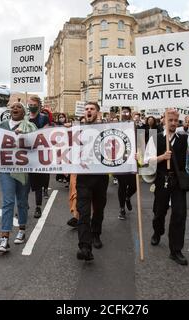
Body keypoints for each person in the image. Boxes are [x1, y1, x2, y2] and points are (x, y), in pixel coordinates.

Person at [144, 110, 189, 266]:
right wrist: (161, 157)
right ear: (164, 120)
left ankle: (176, 250)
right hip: (162, 179)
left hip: (178, 181)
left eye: (176, 120)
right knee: (159, 211)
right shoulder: (155, 139)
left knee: (179, 214)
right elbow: (146, 159)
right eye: (171, 120)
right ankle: (157, 231)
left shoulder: (183, 138)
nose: (174, 123)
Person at [0, 102, 37, 253]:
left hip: (22, 169)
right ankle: (4, 238)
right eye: (13, 107)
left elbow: (37, 145)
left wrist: (24, 138)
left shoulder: (30, 126)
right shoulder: (2, 125)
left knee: (22, 201)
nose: (15, 108)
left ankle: (22, 229)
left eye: (19, 107)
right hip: (5, 168)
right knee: (8, 201)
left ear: (24, 112)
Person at [76, 102, 109, 261]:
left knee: (99, 208)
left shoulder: (106, 129)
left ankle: (96, 234)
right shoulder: (77, 129)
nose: (88, 111)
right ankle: (84, 246)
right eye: (87, 109)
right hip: (83, 177)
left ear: (97, 112)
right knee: (83, 212)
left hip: (101, 176)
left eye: (92, 109)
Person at [27, 96, 50, 218]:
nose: (31, 106)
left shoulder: (43, 118)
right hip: (25, 155)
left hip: (38, 154)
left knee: (37, 184)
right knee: (24, 182)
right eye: (29, 104)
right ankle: (23, 205)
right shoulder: (24, 118)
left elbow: (45, 134)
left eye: (33, 104)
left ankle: (38, 207)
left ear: (38, 105)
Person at [114, 107, 137, 220]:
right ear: (120, 113)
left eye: (127, 112)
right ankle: (122, 208)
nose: (125, 113)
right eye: (123, 112)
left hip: (132, 160)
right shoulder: (116, 125)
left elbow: (141, 139)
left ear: (130, 114)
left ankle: (127, 197)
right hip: (120, 160)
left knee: (134, 186)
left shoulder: (134, 125)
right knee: (122, 185)